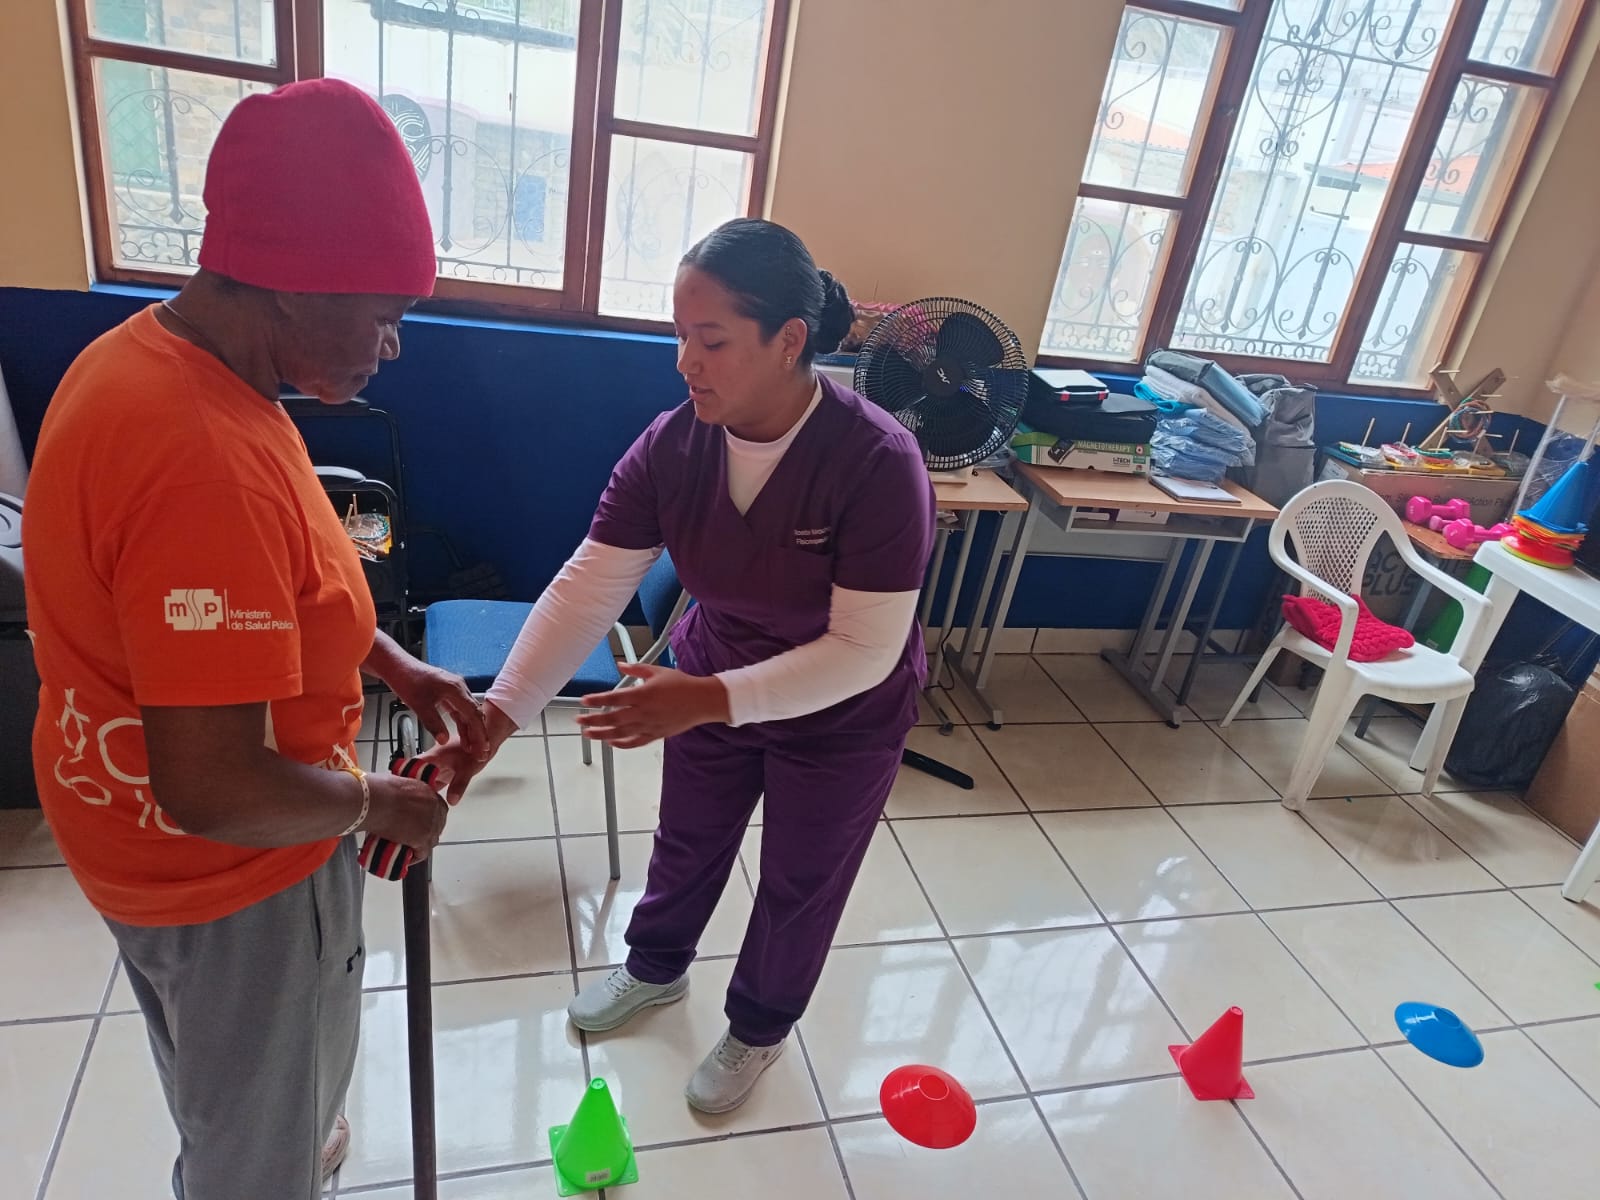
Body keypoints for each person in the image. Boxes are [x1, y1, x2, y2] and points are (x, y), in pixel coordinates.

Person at [24, 80, 484, 1200]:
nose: (394, 346)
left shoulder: (165, 363)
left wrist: (393, 661)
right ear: (291, 279)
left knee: (230, 1087)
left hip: (123, 826)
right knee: (252, 1158)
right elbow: (214, 785)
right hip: (232, 872)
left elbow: (284, 575)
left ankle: (274, 1129)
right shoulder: (201, 457)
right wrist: (379, 803)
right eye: (384, 314)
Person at [426, 217, 935, 1114]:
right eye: (678, 335)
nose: (684, 362)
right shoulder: (674, 444)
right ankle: (657, 967)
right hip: (714, 673)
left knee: (801, 880)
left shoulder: (878, 461)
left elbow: (865, 649)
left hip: (840, 714)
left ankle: (759, 1028)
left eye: (712, 340)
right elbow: (589, 586)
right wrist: (495, 718)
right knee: (688, 840)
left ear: (789, 341)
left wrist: (707, 699)